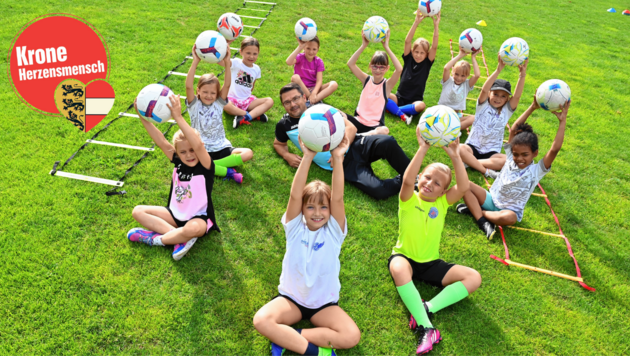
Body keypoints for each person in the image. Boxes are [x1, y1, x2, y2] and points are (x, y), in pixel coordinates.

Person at [253, 134, 361, 356]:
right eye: (310, 207)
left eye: (323, 208)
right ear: (302, 210)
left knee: (351, 336)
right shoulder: (294, 228)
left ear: (330, 212)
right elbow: (294, 195)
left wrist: (338, 159)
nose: (318, 213)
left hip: (323, 305)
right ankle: (315, 353)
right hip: (291, 299)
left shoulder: (334, 232)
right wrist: (308, 156)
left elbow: (338, 198)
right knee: (261, 320)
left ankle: (288, 336)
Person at [389, 132, 481, 355]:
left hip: (431, 264)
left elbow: (463, 186)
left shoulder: (442, 203)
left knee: (474, 277)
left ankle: (426, 308)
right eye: (427, 177)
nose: (430, 183)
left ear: (443, 191)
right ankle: (427, 328)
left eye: (438, 183)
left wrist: (456, 156)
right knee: (398, 268)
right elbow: (408, 180)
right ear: (420, 177)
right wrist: (423, 149)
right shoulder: (409, 198)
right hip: (405, 258)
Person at [457, 98, 570, 239]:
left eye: (525, 155)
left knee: (510, 219)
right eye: (516, 154)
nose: (519, 158)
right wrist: (532, 107)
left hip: (508, 211)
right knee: (464, 185)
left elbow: (555, 149)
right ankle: (482, 221)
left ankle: (478, 212)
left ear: (535, 153)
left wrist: (562, 121)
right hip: (491, 199)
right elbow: (515, 128)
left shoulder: (536, 171)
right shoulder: (510, 157)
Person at [275, 83, 410, 200]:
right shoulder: (284, 125)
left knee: (387, 142)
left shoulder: (321, 109)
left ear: (304, 97)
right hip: (344, 165)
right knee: (380, 191)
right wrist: (287, 155)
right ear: (283, 105)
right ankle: (405, 180)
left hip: (355, 145)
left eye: (295, 98)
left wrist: (341, 150)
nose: (292, 104)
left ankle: (413, 176)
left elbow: (351, 127)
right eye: (287, 102)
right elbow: (278, 144)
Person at [127, 95, 219, 260]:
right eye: (183, 152)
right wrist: (143, 117)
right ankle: (180, 239)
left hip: (197, 218)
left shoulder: (205, 166)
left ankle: (156, 239)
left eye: (192, 150)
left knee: (192, 230)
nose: (189, 155)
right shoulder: (178, 162)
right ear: (177, 153)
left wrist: (177, 116)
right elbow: (161, 141)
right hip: (174, 215)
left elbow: (197, 144)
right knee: (138, 211)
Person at [185, 45, 253, 184]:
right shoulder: (194, 104)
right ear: (198, 91)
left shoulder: (219, 103)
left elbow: (227, 85)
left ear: (217, 94)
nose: (209, 96)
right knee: (191, 164)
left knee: (248, 153)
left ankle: (213, 165)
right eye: (205, 92)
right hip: (202, 149)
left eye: (212, 93)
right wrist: (195, 61)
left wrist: (228, 64)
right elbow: (188, 86)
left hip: (221, 147)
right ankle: (226, 171)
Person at [460, 56, 528, 179]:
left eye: (503, 96)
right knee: (460, 148)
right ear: (490, 93)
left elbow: (517, 96)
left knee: (509, 160)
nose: (498, 98)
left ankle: (471, 163)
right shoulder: (482, 104)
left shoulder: (507, 111)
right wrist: (498, 70)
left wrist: (522, 75)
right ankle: (486, 171)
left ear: (507, 99)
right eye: (495, 94)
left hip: (491, 154)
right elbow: (484, 89)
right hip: (472, 147)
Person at [385, 11, 441, 124]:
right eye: (416, 52)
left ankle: (396, 110)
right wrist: (416, 22)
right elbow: (407, 41)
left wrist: (436, 26)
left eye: (422, 53)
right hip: (399, 98)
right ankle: (401, 113)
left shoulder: (427, 63)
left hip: (414, 102)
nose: (418, 55)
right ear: (412, 51)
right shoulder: (408, 58)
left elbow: (434, 47)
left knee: (421, 106)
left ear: (426, 54)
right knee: (382, 94)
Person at [347, 30, 403, 133]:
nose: (378, 70)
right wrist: (363, 45)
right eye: (375, 66)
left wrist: (387, 47)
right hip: (358, 121)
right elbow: (351, 64)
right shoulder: (366, 80)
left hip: (375, 127)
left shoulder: (387, 85)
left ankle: (363, 136)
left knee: (385, 130)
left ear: (387, 68)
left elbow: (399, 69)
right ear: (370, 66)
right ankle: (360, 135)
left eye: (382, 67)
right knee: (337, 114)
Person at [224, 37, 274, 128]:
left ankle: (246, 117)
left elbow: (252, 86)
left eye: (255, 54)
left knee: (269, 101)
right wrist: (226, 46)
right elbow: (222, 61)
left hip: (247, 100)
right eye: (248, 53)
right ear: (241, 52)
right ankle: (252, 114)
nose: (251, 56)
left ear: (258, 53)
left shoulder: (257, 69)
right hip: (232, 99)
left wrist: (249, 99)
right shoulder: (235, 63)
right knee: (225, 105)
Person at [286, 36, 338, 106]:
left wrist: (314, 93)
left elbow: (319, 81)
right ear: (304, 48)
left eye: (314, 49)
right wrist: (299, 47)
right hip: (300, 88)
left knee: (334, 84)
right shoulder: (300, 57)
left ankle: (311, 101)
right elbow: (288, 62)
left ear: (318, 49)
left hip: (313, 89)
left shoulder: (319, 61)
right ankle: (312, 100)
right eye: (308, 48)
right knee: (295, 77)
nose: (311, 52)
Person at [437, 47, 481, 130]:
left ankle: (450, 128)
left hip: (455, 116)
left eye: (463, 76)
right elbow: (446, 68)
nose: (459, 78)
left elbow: (477, 75)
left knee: (473, 118)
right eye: (456, 74)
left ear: (467, 76)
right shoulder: (447, 81)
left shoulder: (467, 85)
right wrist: (460, 55)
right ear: (452, 72)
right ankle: (451, 128)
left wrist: (473, 58)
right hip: (442, 113)